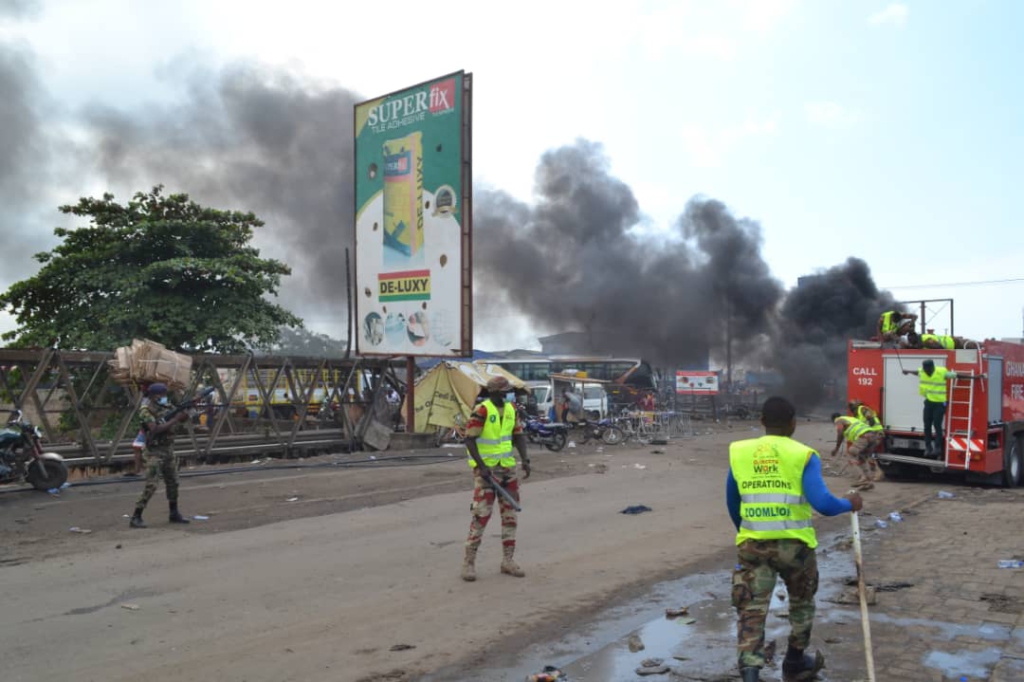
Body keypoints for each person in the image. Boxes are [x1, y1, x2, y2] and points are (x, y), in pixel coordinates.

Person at [726, 396, 864, 682]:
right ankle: (795, 661)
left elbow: (732, 500)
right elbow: (823, 504)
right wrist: (849, 502)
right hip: (795, 549)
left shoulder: (740, 452)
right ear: (793, 423)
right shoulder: (803, 455)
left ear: (761, 421)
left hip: (753, 545)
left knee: (751, 608)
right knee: (801, 603)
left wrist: (750, 530)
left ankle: (750, 673)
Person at [462, 376, 531, 582]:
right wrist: (481, 467)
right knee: (481, 516)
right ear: (492, 392)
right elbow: (469, 439)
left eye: (507, 390)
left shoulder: (511, 409)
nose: (507, 394)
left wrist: (525, 459)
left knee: (510, 517)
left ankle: (508, 561)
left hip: (507, 470)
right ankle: (469, 563)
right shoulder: (483, 410)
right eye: (503, 391)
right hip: (487, 473)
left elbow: (518, 435)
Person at [128, 383, 194, 528]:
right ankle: (136, 516)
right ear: (154, 396)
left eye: (165, 394)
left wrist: (186, 413)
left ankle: (174, 512)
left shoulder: (167, 407)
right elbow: (155, 429)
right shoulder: (146, 411)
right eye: (162, 394)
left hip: (168, 449)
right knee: (151, 485)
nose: (165, 397)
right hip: (154, 452)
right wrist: (176, 419)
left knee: (173, 482)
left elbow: (179, 420)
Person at [902, 360, 957, 457]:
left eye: (928, 369)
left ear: (932, 367)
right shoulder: (923, 371)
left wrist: (975, 377)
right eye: (924, 369)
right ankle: (928, 447)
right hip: (928, 403)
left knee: (937, 425)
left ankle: (937, 447)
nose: (926, 371)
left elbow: (955, 375)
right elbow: (917, 372)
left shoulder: (941, 372)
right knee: (927, 426)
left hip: (939, 404)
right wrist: (908, 371)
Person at [830, 413, 883, 489]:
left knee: (850, 454)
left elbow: (840, 432)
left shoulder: (839, 420)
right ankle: (868, 482)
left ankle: (861, 478)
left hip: (864, 437)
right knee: (862, 459)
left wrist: (836, 449)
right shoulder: (852, 419)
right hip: (873, 437)